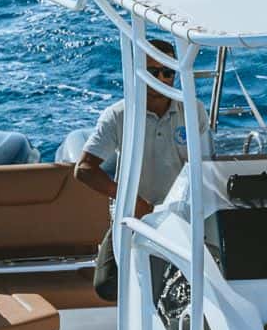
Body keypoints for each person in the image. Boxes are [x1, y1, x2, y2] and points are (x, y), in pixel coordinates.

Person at [75, 41, 201, 300]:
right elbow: (84, 169)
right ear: (138, 72)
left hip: (182, 218)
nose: (161, 78)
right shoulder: (119, 115)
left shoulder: (193, 110)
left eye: (167, 72)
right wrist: (130, 200)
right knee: (108, 286)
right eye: (153, 72)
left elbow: (208, 164)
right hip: (135, 218)